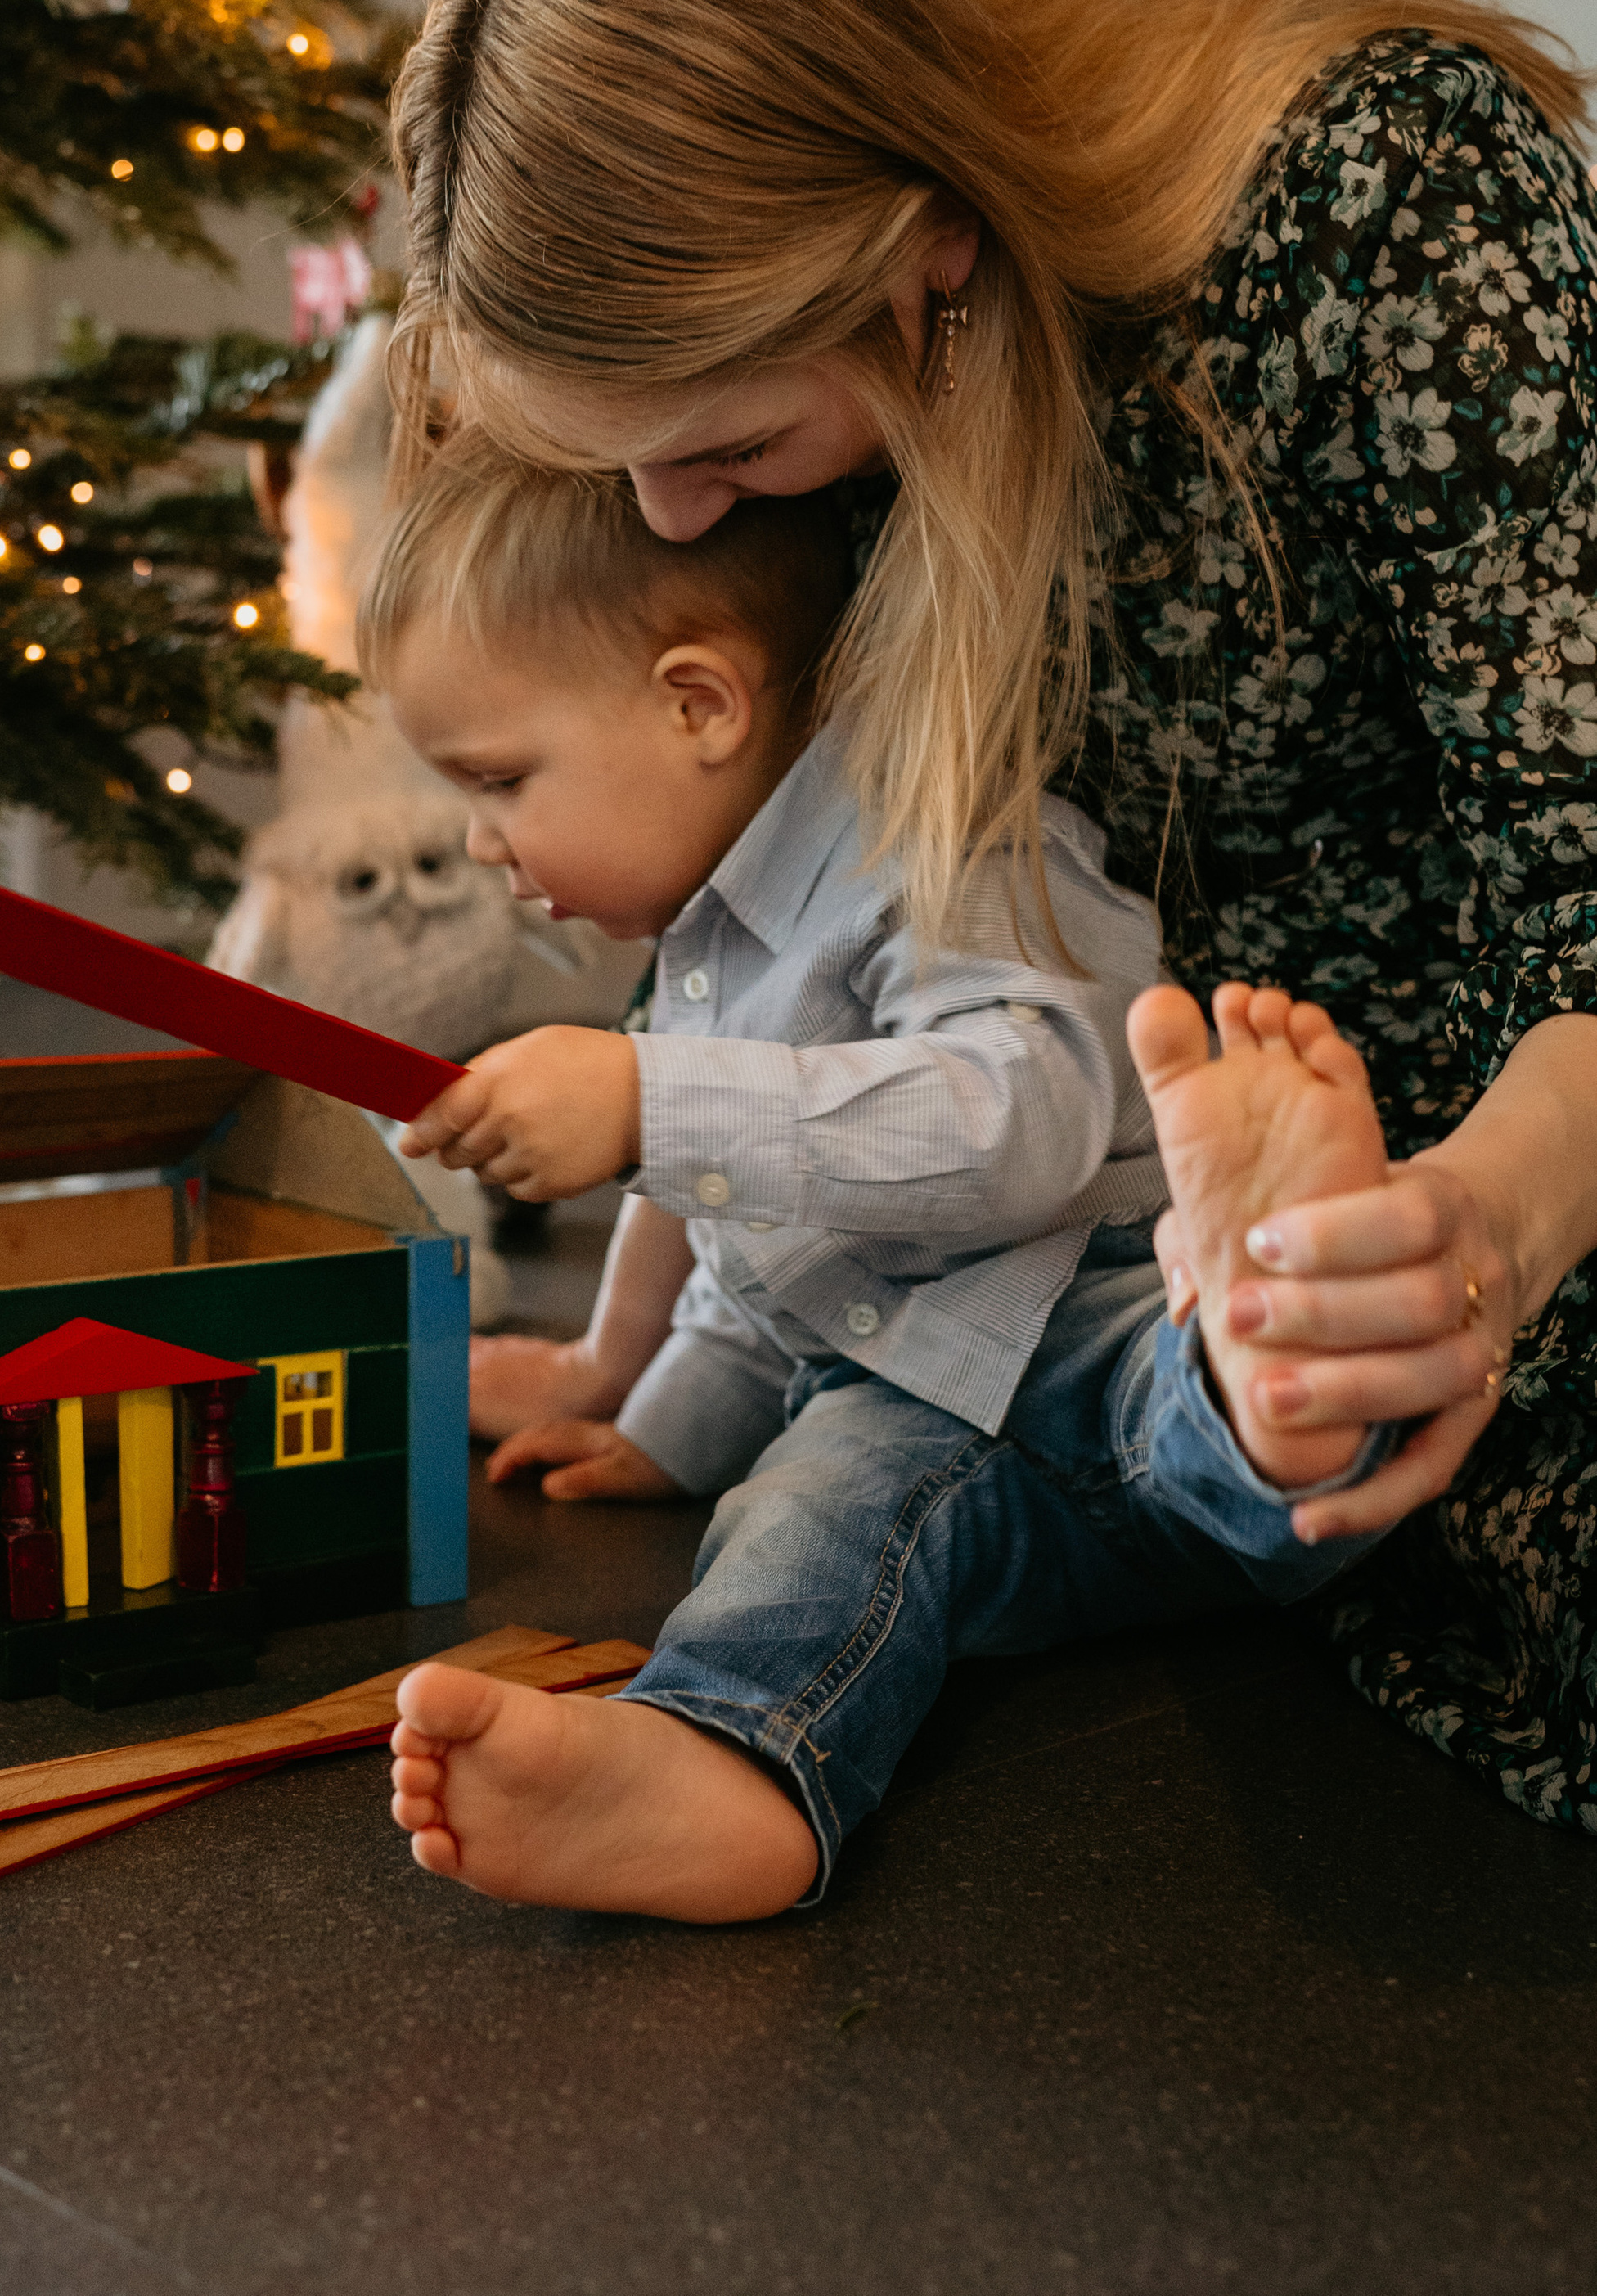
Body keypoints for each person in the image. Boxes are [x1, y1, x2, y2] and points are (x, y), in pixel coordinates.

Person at [382, 0, 1597, 1833]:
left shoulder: (1380, 207)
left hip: (1468, 1139)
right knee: (899, 1457)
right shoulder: (819, 393)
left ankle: (1269, 1351)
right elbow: (752, 921)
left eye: (726, 450)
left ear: (922, 256)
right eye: (627, 466)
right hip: (1090, 1211)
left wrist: (1470, 1232)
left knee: (1297, 1452)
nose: (679, 525)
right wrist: (629, 1358)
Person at [362, 440, 1402, 1919]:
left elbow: (1015, 1118)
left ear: (697, 702)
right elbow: (765, 1246)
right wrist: (666, 1419)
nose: (482, 840)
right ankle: (719, 1762)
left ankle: (1272, 1363)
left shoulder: (944, 835)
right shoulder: (708, 941)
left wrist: (651, 1096)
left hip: (1093, 1299)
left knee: (1156, 1388)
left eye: (501, 778)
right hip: (905, 1402)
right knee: (805, 1522)